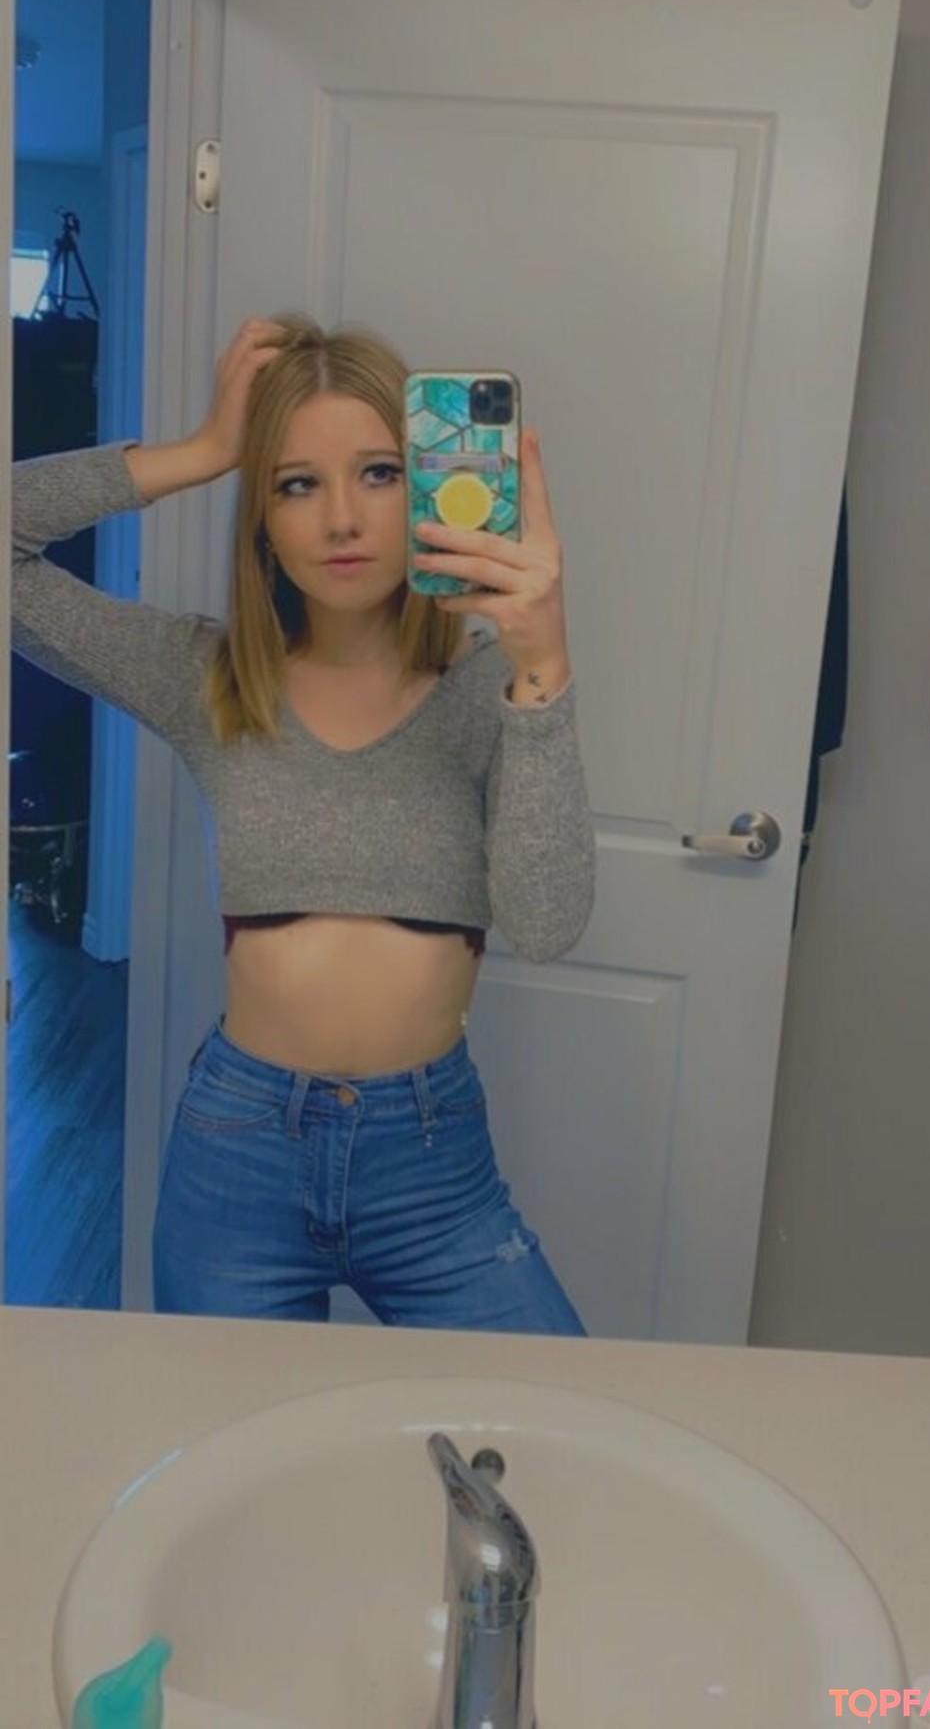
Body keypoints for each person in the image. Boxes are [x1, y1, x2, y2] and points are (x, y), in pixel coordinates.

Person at [11, 315, 595, 1330]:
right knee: (244, 1434)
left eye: (378, 473)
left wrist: (543, 667)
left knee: (547, 1411)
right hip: (239, 1156)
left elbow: (546, 924)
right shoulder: (208, 679)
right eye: (294, 483)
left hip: (435, 1171)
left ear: (428, 484)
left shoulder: (490, 691)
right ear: (263, 521)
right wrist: (202, 450)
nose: (340, 518)